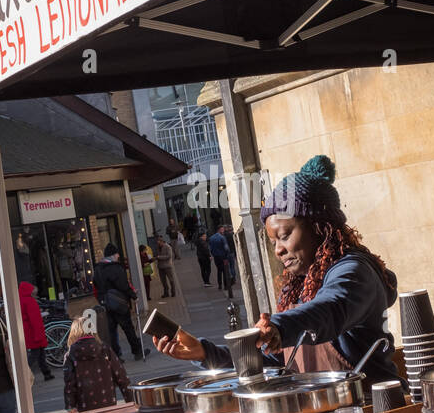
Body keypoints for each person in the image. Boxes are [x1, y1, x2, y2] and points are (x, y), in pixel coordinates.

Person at [155, 155, 399, 384]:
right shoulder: (299, 286)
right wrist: (204, 353)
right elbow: (278, 364)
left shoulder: (353, 272)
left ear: (320, 227)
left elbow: (330, 308)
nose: (278, 250)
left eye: (284, 236)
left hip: (372, 411)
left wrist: (280, 327)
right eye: (273, 243)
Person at [63, 318, 131, 413]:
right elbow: (121, 376)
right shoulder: (104, 349)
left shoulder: (70, 354)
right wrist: (130, 400)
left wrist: (70, 406)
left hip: (85, 407)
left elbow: (69, 384)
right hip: (108, 404)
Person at [93, 244, 144, 361]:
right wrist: (133, 296)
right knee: (128, 328)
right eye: (117, 254)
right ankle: (137, 351)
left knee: (111, 331)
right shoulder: (116, 268)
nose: (118, 256)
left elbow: (96, 286)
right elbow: (124, 285)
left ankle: (115, 355)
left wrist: (101, 300)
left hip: (106, 304)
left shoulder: (98, 269)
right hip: (119, 304)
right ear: (113, 255)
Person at [17, 281, 55, 381]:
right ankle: (24, 374)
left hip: (29, 331)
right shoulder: (30, 301)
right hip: (34, 332)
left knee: (39, 354)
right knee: (36, 354)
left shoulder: (21, 300)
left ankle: (47, 373)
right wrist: (39, 335)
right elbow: (35, 320)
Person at [208, 226, 234, 297]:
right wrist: (227, 254)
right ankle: (226, 285)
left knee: (219, 270)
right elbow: (226, 247)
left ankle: (219, 285)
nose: (223, 231)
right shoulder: (222, 238)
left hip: (216, 257)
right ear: (219, 230)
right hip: (223, 257)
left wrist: (213, 254)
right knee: (225, 271)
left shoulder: (211, 238)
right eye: (222, 229)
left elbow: (210, 248)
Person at [154, 233, 178, 298]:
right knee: (163, 281)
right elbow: (156, 254)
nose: (158, 244)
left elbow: (169, 256)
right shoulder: (158, 247)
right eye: (157, 243)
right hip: (160, 267)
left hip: (167, 266)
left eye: (159, 242)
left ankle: (173, 292)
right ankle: (166, 293)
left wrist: (159, 257)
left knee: (171, 280)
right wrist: (155, 257)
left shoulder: (168, 247)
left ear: (162, 241)